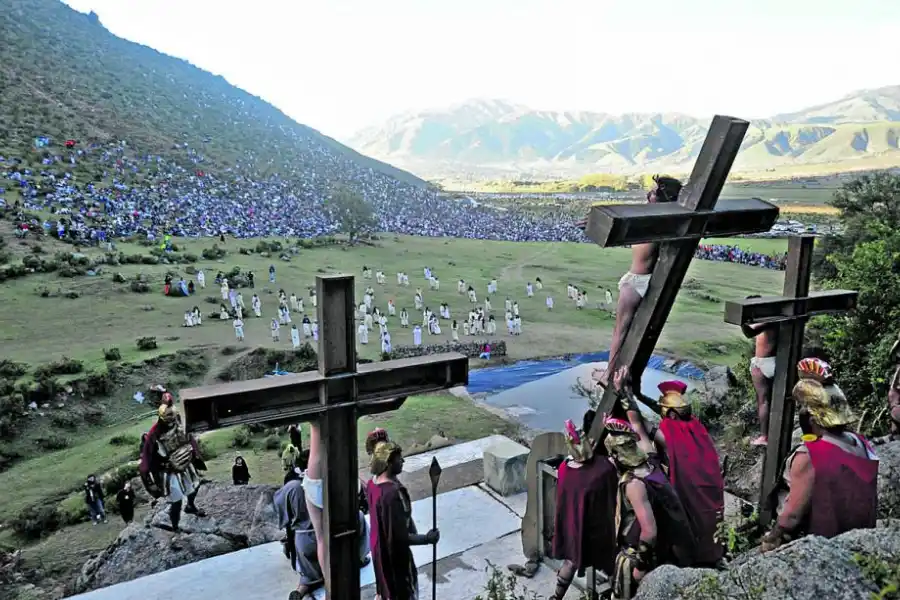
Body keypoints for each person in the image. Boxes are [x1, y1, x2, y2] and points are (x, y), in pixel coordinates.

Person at [761, 358, 878, 552]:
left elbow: (791, 517)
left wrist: (772, 537)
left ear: (810, 416)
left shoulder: (810, 456)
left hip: (825, 545)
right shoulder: (862, 444)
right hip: (862, 541)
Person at [585, 175, 683, 387]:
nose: (648, 195)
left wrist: (595, 224)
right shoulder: (666, 221)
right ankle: (615, 371)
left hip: (637, 280)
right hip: (645, 280)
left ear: (661, 198)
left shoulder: (651, 221)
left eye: (653, 192)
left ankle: (610, 373)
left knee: (620, 330)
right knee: (625, 330)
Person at [636, 378, 724, 566]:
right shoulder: (696, 427)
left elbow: (645, 426)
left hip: (687, 490)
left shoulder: (668, 434)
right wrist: (640, 396)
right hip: (707, 489)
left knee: (689, 526)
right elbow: (660, 413)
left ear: (672, 415)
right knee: (709, 524)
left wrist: (627, 397)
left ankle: (690, 563)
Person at [548, 411, 617, 600]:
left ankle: (556, 597)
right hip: (596, 529)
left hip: (571, 525)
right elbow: (612, 476)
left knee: (570, 562)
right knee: (611, 564)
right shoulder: (602, 469)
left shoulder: (564, 468)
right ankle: (617, 595)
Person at [370, 441, 439, 600]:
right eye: (398, 459)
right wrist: (426, 539)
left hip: (379, 550)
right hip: (393, 556)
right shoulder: (390, 495)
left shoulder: (374, 483)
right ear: (388, 462)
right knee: (401, 591)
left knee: (386, 588)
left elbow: (402, 518)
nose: (403, 461)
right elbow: (398, 537)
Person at [139, 402, 207, 532]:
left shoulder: (180, 423)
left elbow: (189, 437)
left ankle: (191, 506)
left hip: (185, 463)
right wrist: (151, 479)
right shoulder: (154, 435)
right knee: (177, 501)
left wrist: (194, 454)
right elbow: (148, 459)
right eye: (169, 415)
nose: (172, 417)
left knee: (195, 485)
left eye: (173, 414)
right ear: (163, 417)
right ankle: (175, 527)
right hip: (168, 470)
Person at [741, 295, 778, 446]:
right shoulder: (776, 317)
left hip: (764, 362)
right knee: (770, 399)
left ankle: (764, 436)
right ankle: (769, 433)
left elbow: (750, 332)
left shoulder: (768, 319)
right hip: (773, 360)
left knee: (763, 400)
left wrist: (742, 320)